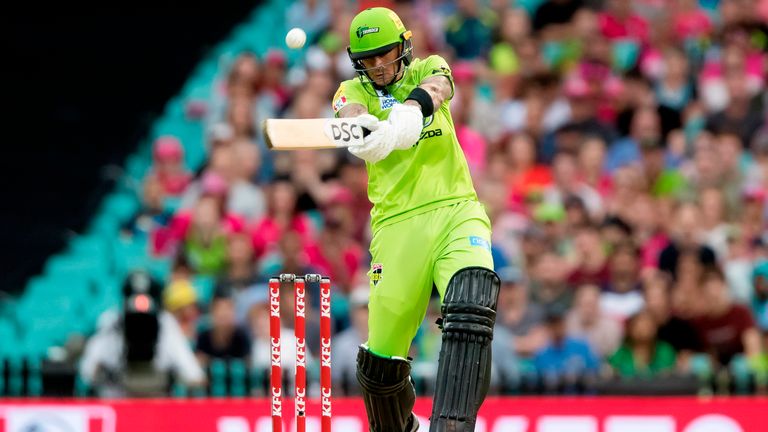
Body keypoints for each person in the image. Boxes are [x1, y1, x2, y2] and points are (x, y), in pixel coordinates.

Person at [331, 7, 500, 431]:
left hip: (456, 209)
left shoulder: (429, 64)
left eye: (384, 55)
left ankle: (451, 425)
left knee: (472, 298)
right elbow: (347, 114)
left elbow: (439, 86)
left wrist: (409, 113)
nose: (377, 67)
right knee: (380, 363)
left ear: (403, 46)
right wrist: (366, 133)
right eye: (366, 61)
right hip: (396, 226)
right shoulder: (351, 89)